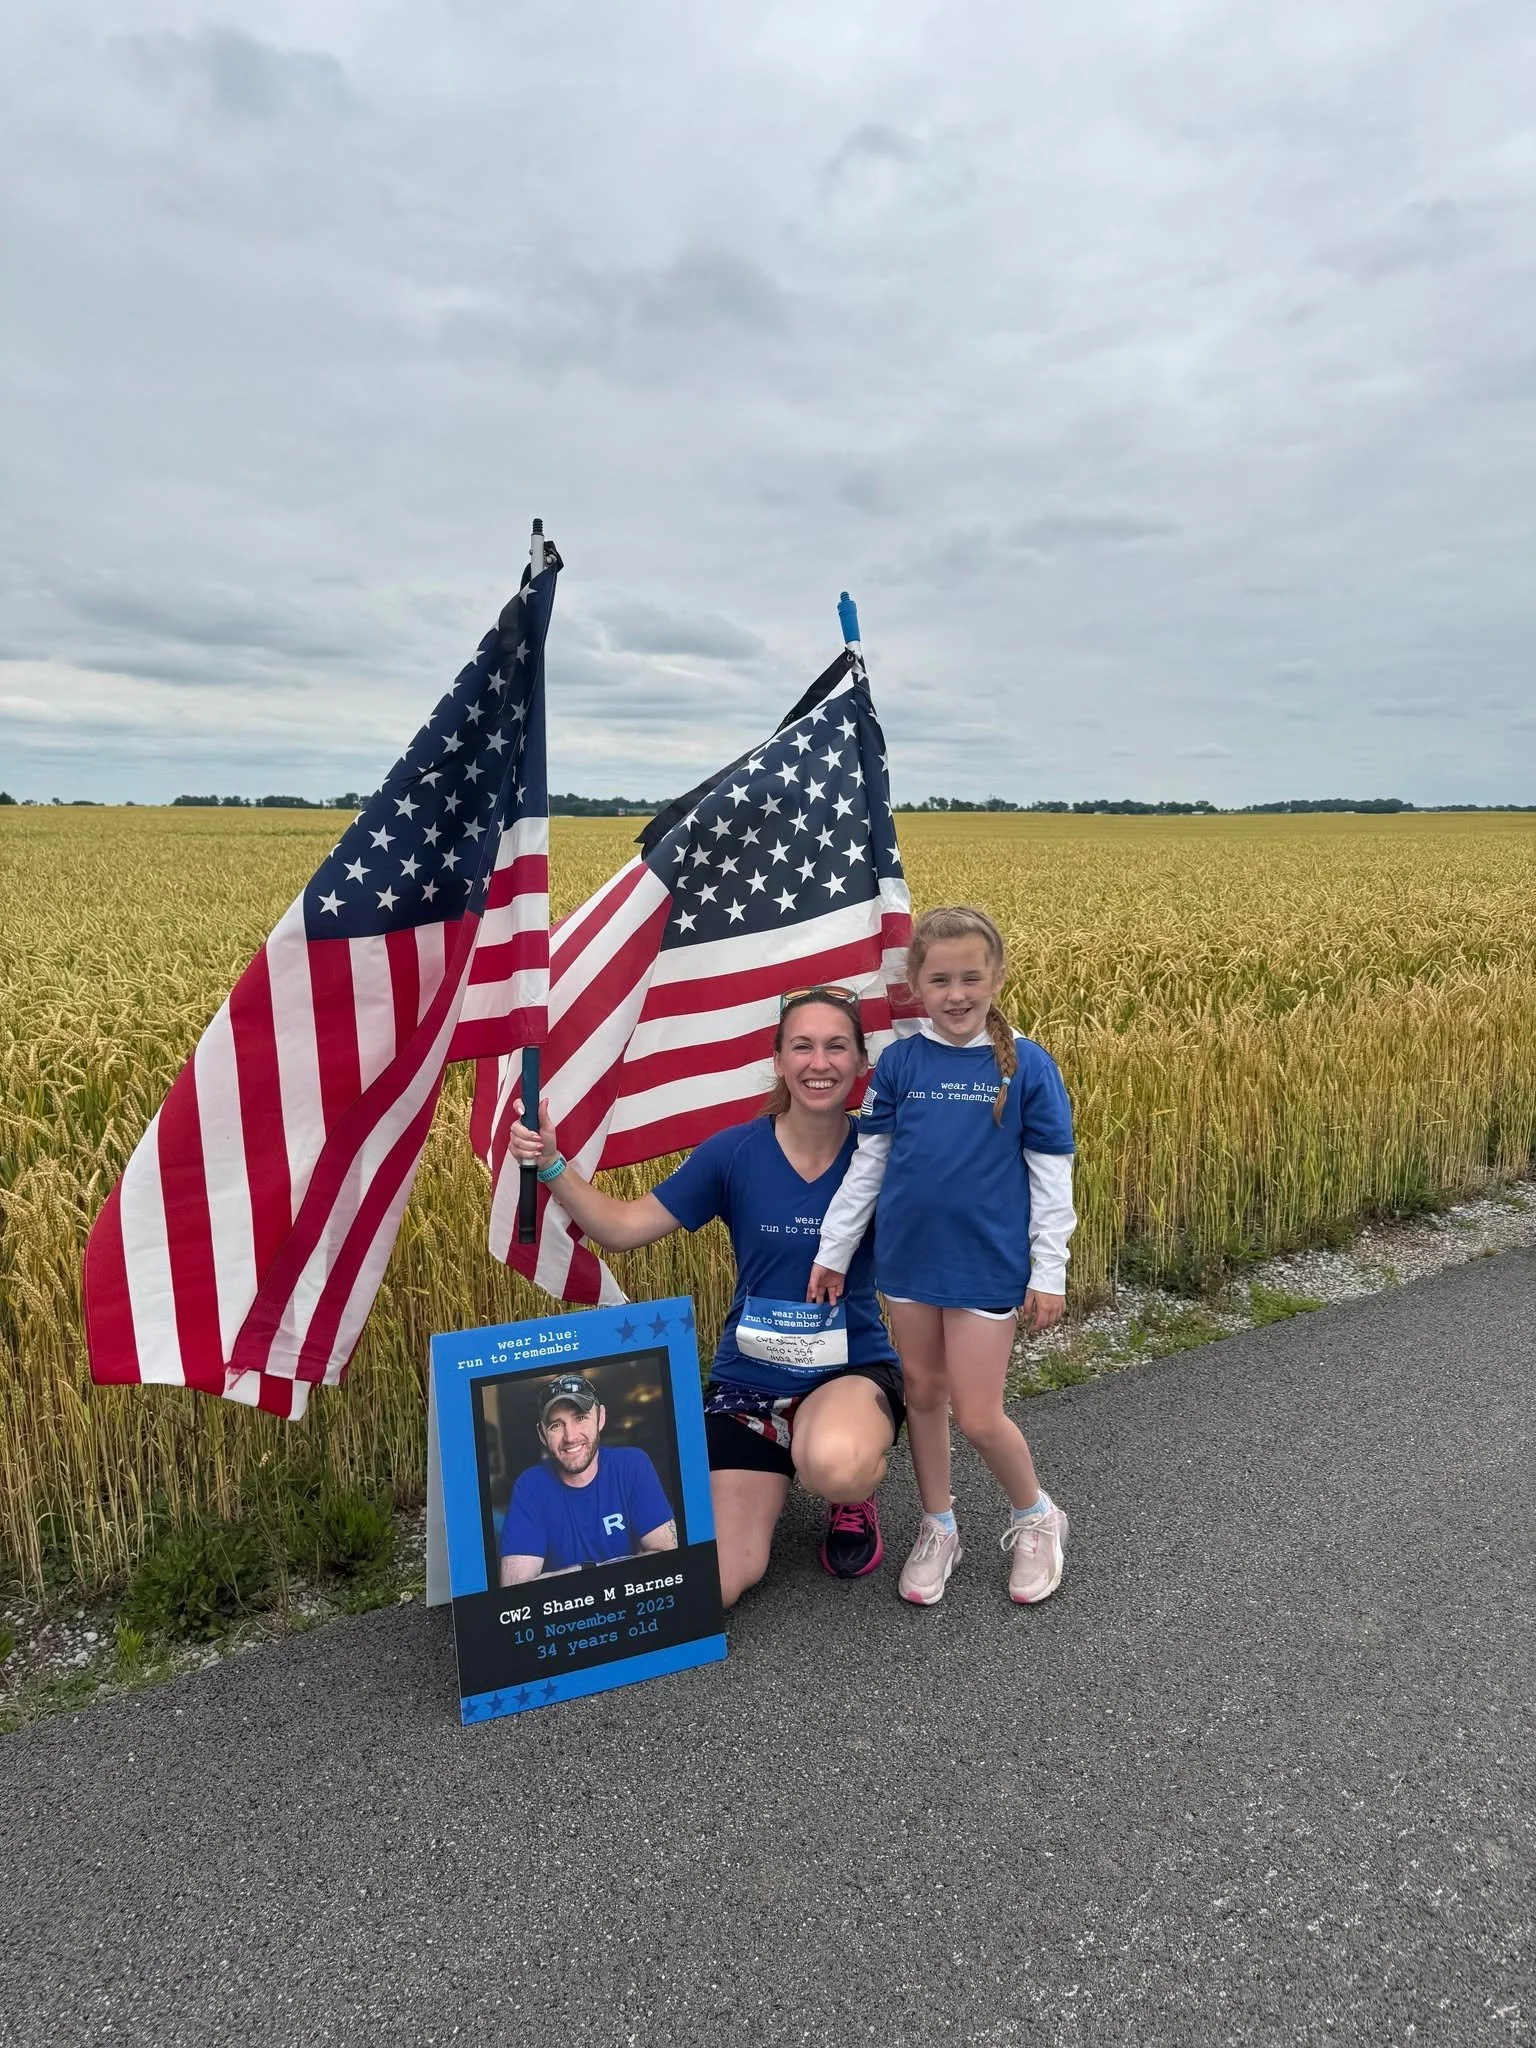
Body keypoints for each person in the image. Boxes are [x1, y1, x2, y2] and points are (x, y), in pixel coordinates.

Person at [505, 990, 904, 1606]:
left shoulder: (882, 1156)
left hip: (849, 1372)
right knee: (713, 1586)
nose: (818, 1062)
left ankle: (850, 1493)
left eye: (836, 1046)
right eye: (801, 1046)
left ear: (859, 1062)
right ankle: (784, 1454)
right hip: (748, 1383)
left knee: (831, 1460)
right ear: (777, 1060)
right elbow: (622, 1227)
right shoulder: (735, 1152)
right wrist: (553, 1166)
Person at [809, 905, 1077, 1608]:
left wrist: (1049, 1272)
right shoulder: (900, 1063)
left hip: (985, 1268)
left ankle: (1036, 1516)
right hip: (907, 1264)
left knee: (980, 1415)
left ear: (996, 977)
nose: (956, 994)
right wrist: (834, 1253)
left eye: (970, 977)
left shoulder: (1028, 1067)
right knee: (923, 1396)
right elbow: (869, 1167)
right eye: (939, 980)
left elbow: (1052, 1180)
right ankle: (938, 1524)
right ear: (915, 987)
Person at [499, 1372, 678, 1584]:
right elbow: (516, 1592)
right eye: (556, 1425)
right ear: (542, 1434)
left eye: (580, 1417)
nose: (570, 1436)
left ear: (600, 1417)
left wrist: (576, 1574)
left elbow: (669, 1563)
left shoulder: (632, 1465)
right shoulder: (530, 1487)